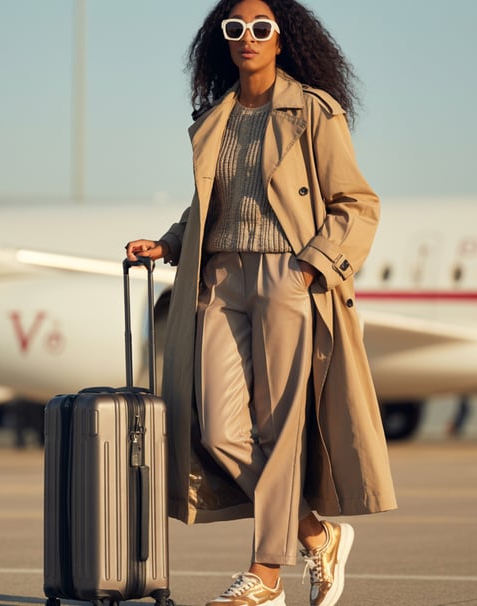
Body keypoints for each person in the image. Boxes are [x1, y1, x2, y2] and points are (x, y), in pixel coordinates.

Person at [125, 2, 396, 605]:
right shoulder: (215, 117)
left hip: (286, 277)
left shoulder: (315, 112)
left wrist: (308, 269)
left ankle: (265, 577)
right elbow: (208, 206)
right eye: (235, 29)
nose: (247, 38)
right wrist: (168, 242)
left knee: (279, 430)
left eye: (261, 28)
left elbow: (357, 203)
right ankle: (313, 533)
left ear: (281, 39)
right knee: (218, 429)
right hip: (219, 278)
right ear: (221, 40)